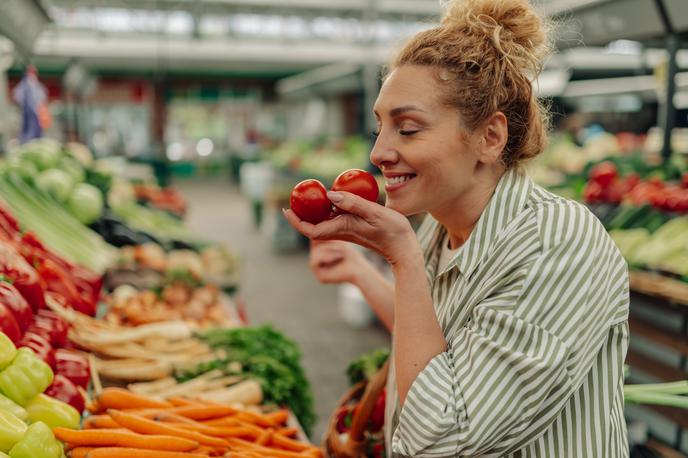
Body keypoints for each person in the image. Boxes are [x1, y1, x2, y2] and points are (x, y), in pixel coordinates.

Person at [284, 0, 629, 456]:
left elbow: (444, 437)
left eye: (407, 129)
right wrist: (363, 269)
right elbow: (437, 338)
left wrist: (401, 256)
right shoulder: (440, 226)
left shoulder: (555, 244)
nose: (379, 153)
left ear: (489, 137)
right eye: (379, 129)